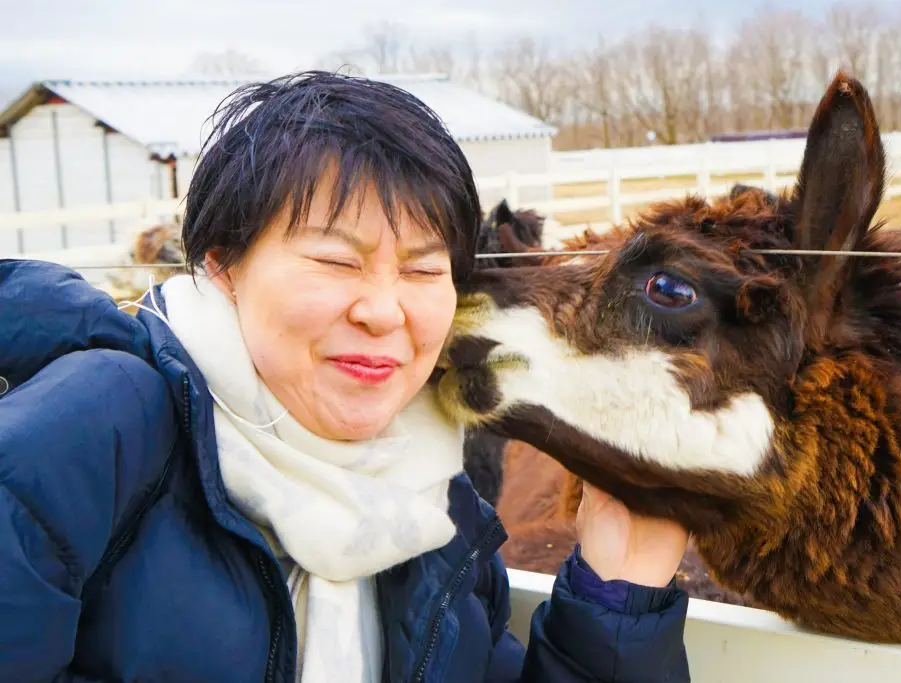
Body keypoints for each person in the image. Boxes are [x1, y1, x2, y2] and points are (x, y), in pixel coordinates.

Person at [0, 71, 691, 683]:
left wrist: (617, 599)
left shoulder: (437, 512)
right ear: (222, 266)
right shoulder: (90, 436)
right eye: (336, 261)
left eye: (424, 270)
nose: (384, 311)